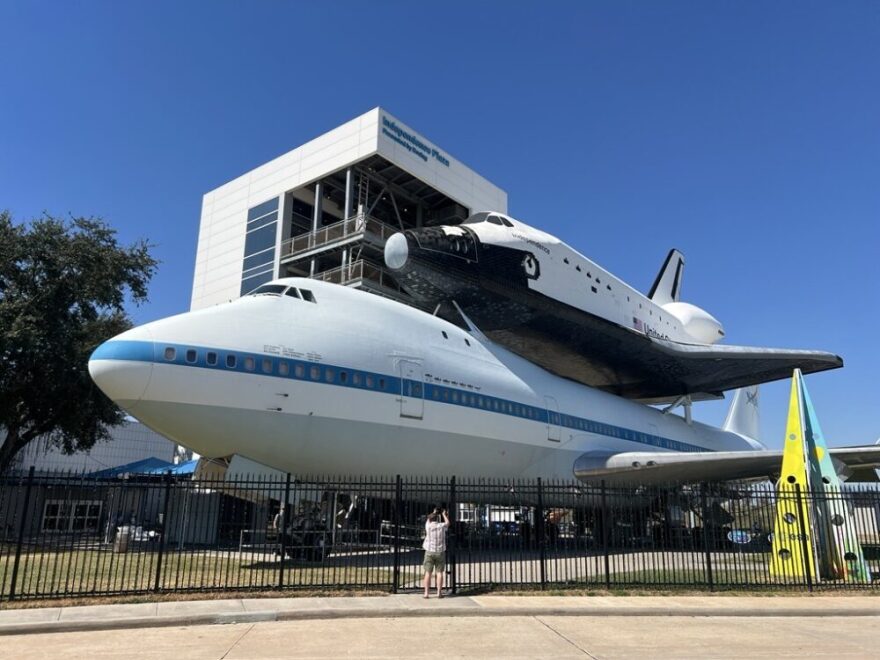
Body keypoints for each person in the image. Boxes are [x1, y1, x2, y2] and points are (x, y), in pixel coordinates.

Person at [422, 507, 449, 598]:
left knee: (428, 572)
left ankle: (426, 593)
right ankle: (439, 593)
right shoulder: (441, 526)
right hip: (440, 551)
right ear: (437, 519)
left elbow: (428, 520)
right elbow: (448, 523)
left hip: (429, 551)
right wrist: (444, 514)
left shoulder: (428, 526)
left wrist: (433, 512)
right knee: (439, 573)